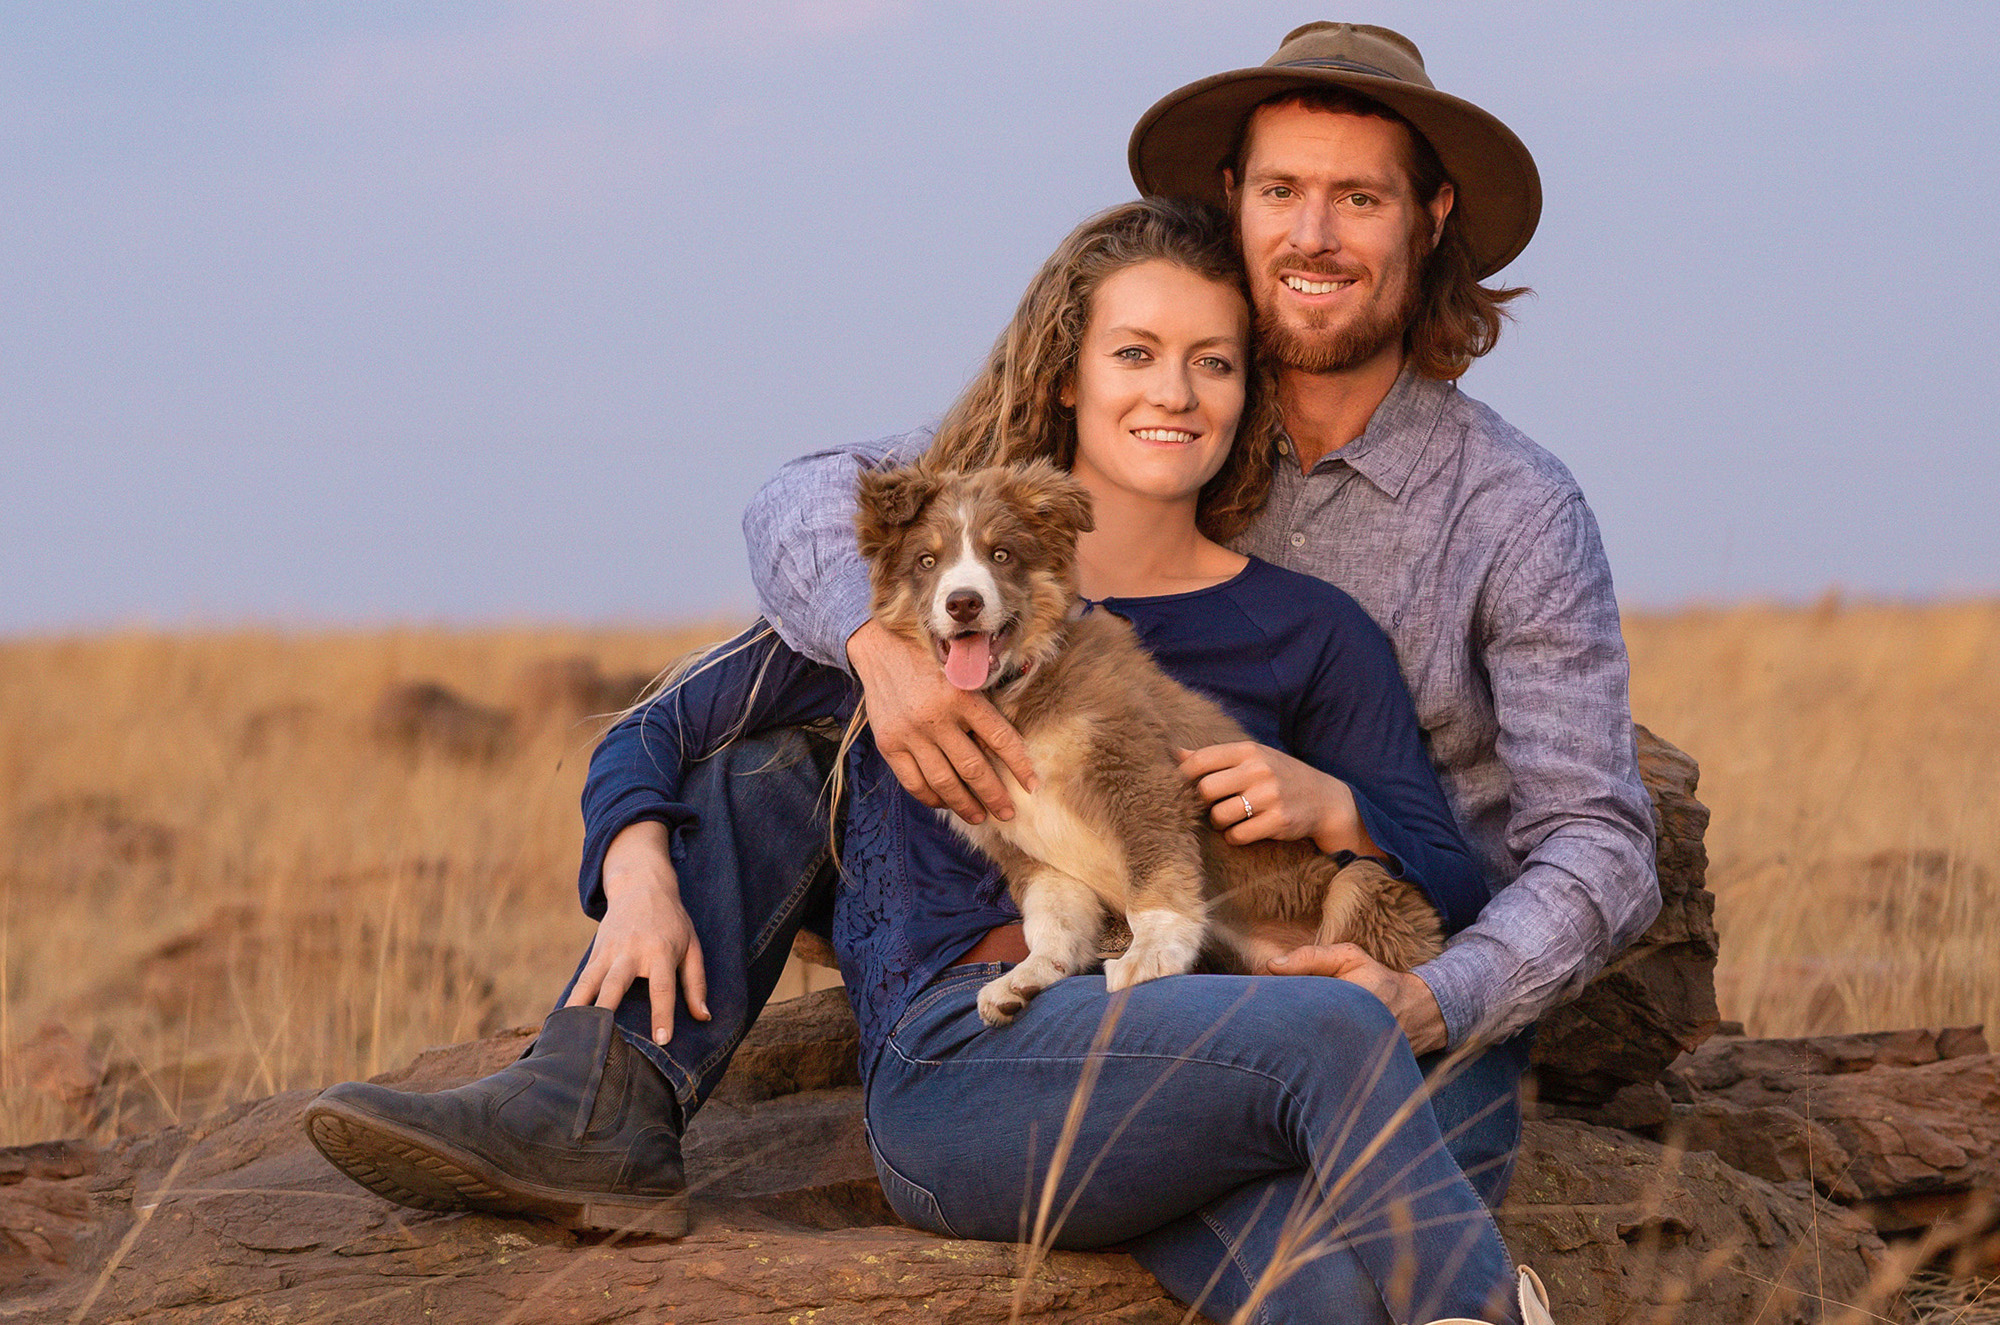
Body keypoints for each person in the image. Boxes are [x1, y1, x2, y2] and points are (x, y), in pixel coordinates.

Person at [310, 198, 1536, 1324]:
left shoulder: (1308, 628)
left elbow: (1447, 878)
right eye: (1133, 354)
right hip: (971, 1064)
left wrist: (1337, 809)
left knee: (1317, 1288)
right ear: (1064, 374)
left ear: (1246, 390)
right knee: (1329, 1036)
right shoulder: (905, 614)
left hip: (1191, 1044)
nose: (1173, 392)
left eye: (1212, 361)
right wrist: (634, 872)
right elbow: (660, 726)